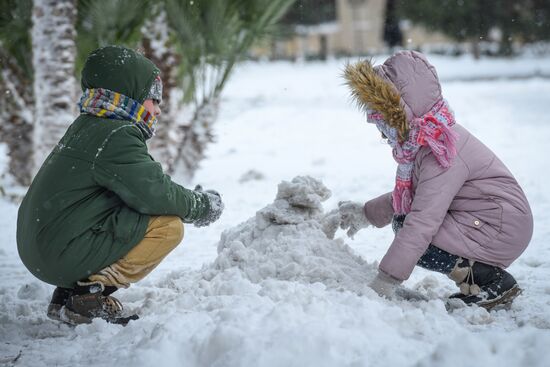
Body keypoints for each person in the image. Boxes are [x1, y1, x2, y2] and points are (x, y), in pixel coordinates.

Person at [16, 46, 224, 325]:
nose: (158, 110)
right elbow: (155, 194)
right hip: (59, 251)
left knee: (126, 204)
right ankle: (89, 296)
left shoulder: (89, 125)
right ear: (132, 96)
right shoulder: (116, 134)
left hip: (43, 247)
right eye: (154, 100)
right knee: (167, 226)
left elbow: (142, 186)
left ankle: (68, 295)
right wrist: (202, 205)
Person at [339, 50, 533, 310]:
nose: (383, 135)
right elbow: (414, 197)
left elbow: (422, 219)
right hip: (489, 220)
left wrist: (386, 280)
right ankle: (478, 278)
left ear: (404, 113)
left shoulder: (441, 151)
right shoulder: (430, 139)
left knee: (413, 230)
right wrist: (366, 214)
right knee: (406, 222)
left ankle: (492, 282)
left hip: (498, 227)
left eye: (385, 124)